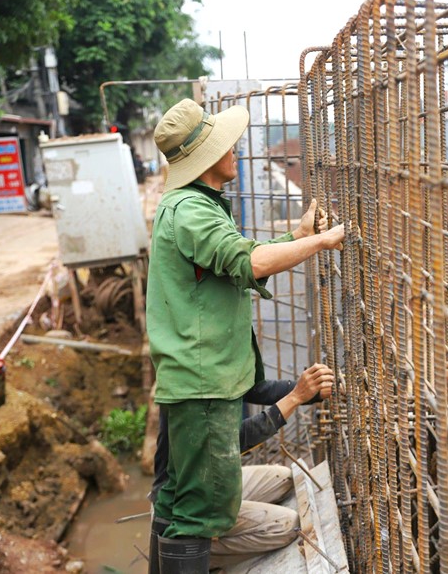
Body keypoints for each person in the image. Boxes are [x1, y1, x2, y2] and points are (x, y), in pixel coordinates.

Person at [146, 98, 345, 573]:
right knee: (198, 515)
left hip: (204, 377)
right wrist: (320, 241)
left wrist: (296, 235)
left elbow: (238, 260)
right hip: (202, 382)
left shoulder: (194, 207)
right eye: (225, 144)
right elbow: (249, 262)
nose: (234, 148)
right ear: (206, 157)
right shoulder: (191, 210)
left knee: (187, 501)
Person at [148, 365, 334, 571]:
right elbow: (229, 442)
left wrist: (311, 390)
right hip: (183, 500)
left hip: (211, 477)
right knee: (287, 526)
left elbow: (257, 389)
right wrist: (295, 397)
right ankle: (193, 553)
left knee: (283, 478)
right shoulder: (187, 382)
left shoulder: (209, 363)